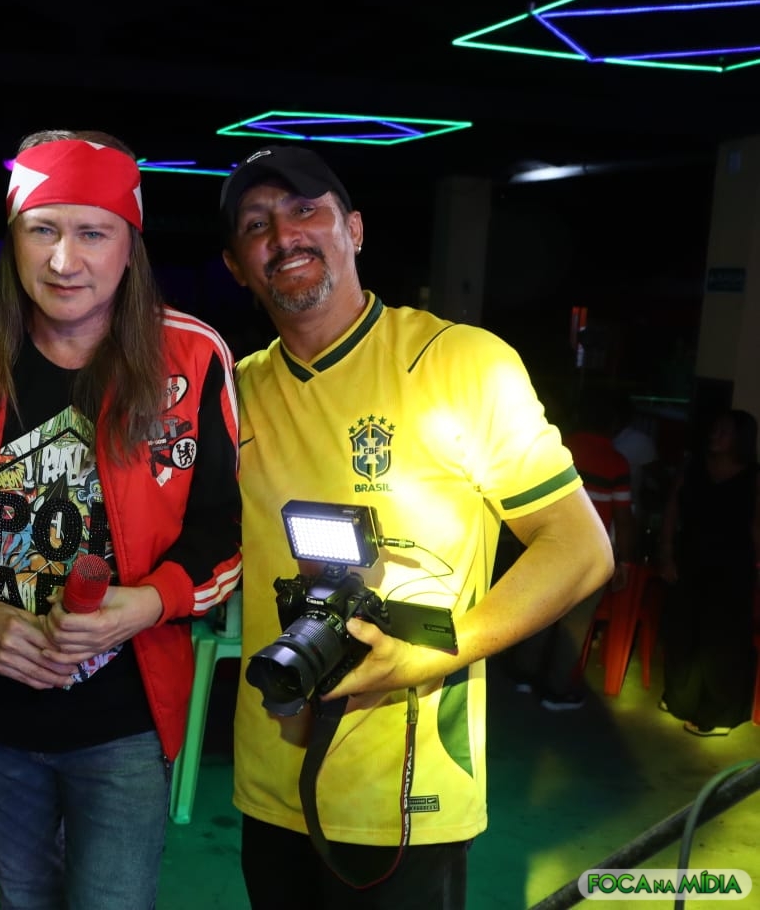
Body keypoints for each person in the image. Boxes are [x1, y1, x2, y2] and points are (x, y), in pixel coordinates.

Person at [218, 146, 612, 908]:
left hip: (409, 788)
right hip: (271, 776)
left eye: (306, 211)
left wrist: (429, 653)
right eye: (256, 225)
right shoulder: (236, 391)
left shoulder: (459, 362)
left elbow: (580, 549)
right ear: (236, 265)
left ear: (354, 230)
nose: (285, 235)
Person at [0, 130, 242, 910]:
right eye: (42, 230)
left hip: (126, 717)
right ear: (13, 239)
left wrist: (148, 603)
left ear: (131, 246)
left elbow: (229, 532)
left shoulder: (192, 356)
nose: (64, 261)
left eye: (93, 233)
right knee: (23, 896)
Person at [507, 382, 638, 710]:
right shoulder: (616, 463)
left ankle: (523, 674)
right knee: (575, 621)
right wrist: (624, 562)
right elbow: (623, 518)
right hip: (587, 555)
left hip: (546, 545)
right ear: (615, 422)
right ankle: (554, 690)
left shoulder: (560, 447)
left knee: (538, 609)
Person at [656, 407, 760, 736]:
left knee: (722, 641)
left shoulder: (753, 477)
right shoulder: (694, 466)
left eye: (724, 431)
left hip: (732, 567)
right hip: (690, 559)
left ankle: (718, 713)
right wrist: (666, 553)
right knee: (682, 631)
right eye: (715, 429)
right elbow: (672, 510)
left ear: (740, 439)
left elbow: (756, 527)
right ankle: (680, 700)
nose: (715, 435)